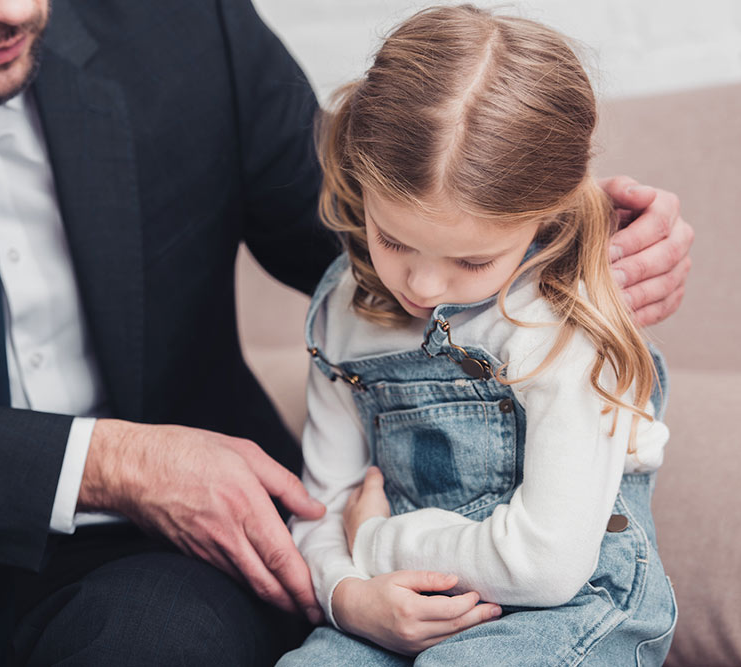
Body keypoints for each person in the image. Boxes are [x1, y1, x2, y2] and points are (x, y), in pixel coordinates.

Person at [0, 0, 689, 664]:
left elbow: (378, 230)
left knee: (161, 645)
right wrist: (109, 461)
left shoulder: (181, 25)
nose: (15, 9)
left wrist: (561, 238)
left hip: (160, 554)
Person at [280, 5, 678, 665]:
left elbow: (548, 561)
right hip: (392, 604)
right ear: (361, 178)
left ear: (542, 216)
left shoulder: (559, 319)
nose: (424, 286)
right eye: (394, 239)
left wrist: (378, 542)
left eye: (472, 261)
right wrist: (349, 596)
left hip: (571, 605)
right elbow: (325, 507)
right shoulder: (340, 314)